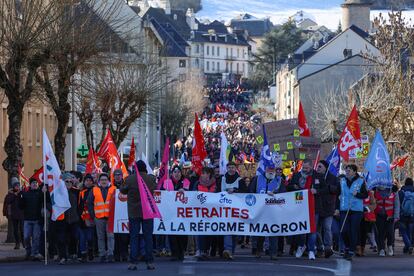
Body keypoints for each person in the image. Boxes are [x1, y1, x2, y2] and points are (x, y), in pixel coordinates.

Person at [120, 160, 156, 271]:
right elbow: (154, 188)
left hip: (134, 212)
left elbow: (122, 190)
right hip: (148, 211)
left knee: (134, 237)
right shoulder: (150, 179)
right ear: (144, 168)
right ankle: (149, 262)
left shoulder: (130, 179)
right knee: (148, 237)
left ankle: (133, 263)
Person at [250, 165, 286, 260]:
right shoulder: (257, 179)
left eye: (272, 170)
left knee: (273, 232)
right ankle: (258, 250)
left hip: (274, 211)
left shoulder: (279, 180)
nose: (270, 172)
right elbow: (251, 191)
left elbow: (284, 194)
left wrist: (275, 195)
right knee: (261, 231)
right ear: (265, 170)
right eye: (269, 170)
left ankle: (273, 252)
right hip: (260, 210)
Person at [288, 159, 320, 260]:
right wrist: (293, 186)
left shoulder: (316, 175)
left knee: (312, 230)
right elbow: (288, 187)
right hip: (300, 207)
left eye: (307, 168)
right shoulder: (296, 175)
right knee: (301, 229)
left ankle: (311, 250)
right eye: (303, 167)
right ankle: (301, 246)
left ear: (311, 167)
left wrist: (317, 190)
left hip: (314, 207)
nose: (305, 169)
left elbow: (324, 188)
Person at [338, 164, 368, 261]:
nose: (347, 172)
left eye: (349, 170)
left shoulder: (361, 181)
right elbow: (339, 193)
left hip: (356, 210)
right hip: (344, 208)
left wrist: (358, 194)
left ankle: (351, 251)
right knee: (343, 230)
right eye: (346, 170)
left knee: (353, 230)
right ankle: (347, 246)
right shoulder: (342, 181)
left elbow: (365, 195)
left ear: (355, 172)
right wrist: (338, 198)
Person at [162, 165, 190, 261]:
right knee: (172, 233)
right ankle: (174, 252)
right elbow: (161, 194)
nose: (177, 174)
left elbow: (191, 193)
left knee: (182, 234)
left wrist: (185, 191)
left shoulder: (186, 182)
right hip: (171, 212)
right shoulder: (167, 182)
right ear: (172, 173)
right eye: (175, 172)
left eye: (178, 172)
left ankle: (181, 251)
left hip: (183, 213)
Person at [88, 173, 116, 263]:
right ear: (99, 181)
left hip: (110, 217)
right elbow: (89, 203)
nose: (104, 181)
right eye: (102, 180)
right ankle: (102, 254)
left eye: (105, 179)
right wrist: (93, 215)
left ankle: (110, 254)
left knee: (110, 236)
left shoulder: (114, 189)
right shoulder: (94, 189)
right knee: (100, 237)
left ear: (108, 180)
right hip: (98, 217)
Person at [314, 160, 339, 258]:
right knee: (316, 229)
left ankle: (328, 247)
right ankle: (320, 247)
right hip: (317, 207)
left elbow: (337, 189)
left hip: (328, 207)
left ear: (325, 167)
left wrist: (328, 187)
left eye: (320, 167)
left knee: (327, 228)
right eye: (317, 167)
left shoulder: (333, 178)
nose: (318, 168)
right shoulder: (314, 177)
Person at [219, 161, 245, 260]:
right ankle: (228, 250)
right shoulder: (223, 178)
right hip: (225, 209)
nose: (231, 169)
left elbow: (244, 191)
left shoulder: (240, 179)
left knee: (234, 231)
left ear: (235, 168)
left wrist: (235, 190)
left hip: (237, 210)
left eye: (233, 167)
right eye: (229, 167)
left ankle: (231, 252)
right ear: (227, 168)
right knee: (227, 229)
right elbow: (219, 190)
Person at [55, 173, 81, 265]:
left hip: (74, 219)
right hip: (62, 219)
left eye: (71, 181)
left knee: (74, 237)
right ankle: (62, 257)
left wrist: (78, 215)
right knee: (61, 239)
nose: (69, 183)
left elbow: (80, 205)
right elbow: (51, 203)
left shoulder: (77, 192)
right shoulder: (58, 192)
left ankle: (73, 253)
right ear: (63, 182)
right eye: (67, 181)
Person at [19, 178, 45, 261]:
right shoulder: (26, 194)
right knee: (26, 237)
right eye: (33, 183)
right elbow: (21, 206)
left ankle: (34, 254)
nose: (35, 184)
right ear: (30, 185)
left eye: (36, 183)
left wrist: (45, 192)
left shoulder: (41, 193)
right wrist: (21, 197)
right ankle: (28, 251)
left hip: (37, 220)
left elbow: (45, 201)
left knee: (36, 237)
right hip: (27, 219)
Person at [195, 167, 217, 260]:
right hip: (200, 212)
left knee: (209, 233)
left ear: (209, 174)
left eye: (205, 173)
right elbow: (192, 195)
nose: (203, 175)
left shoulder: (215, 184)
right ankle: (200, 250)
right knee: (200, 232)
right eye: (202, 173)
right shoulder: (197, 183)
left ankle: (207, 250)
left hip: (213, 213)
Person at [374, 184, 400, 257]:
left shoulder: (394, 190)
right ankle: (382, 249)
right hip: (379, 215)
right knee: (380, 233)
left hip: (390, 216)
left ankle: (390, 246)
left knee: (390, 233)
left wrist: (396, 216)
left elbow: (397, 204)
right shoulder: (375, 189)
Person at [78, 173, 96, 262]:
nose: (88, 182)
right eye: (87, 181)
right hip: (82, 218)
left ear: (93, 182)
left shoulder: (95, 191)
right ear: (84, 182)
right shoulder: (81, 192)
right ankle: (83, 254)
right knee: (82, 238)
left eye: (90, 181)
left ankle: (90, 251)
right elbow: (79, 205)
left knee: (89, 237)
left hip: (91, 217)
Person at [113, 169, 129, 262]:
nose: (118, 176)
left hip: (124, 214)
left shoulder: (126, 186)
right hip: (114, 214)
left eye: (119, 174)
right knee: (116, 236)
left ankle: (124, 254)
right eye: (116, 175)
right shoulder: (111, 186)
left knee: (124, 237)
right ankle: (116, 255)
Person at [3, 177, 24, 249]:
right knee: (15, 230)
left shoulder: (22, 193)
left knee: (22, 230)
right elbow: (8, 201)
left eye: (18, 185)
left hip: (21, 214)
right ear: (13, 186)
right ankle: (17, 243)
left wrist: (21, 193)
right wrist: (15, 195)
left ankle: (24, 243)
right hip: (14, 214)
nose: (17, 187)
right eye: (16, 186)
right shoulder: (10, 194)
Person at [359, 190, 377, 256]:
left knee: (364, 233)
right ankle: (357, 248)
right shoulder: (355, 192)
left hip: (366, 217)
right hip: (357, 214)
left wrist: (366, 208)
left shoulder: (370, 193)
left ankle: (362, 249)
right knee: (357, 232)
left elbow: (374, 204)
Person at [399, 177, 414, 254]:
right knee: (409, 231)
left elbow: (398, 203)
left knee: (403, 231)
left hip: (403, 215)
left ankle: (408, 245)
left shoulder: (401, 192)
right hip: (412, 215)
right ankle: (408, 246)